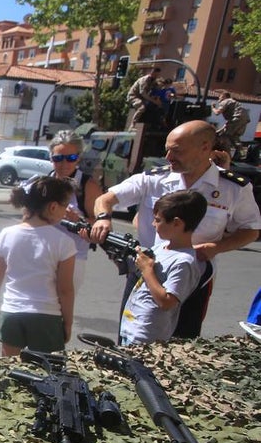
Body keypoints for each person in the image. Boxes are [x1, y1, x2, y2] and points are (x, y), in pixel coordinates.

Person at [91, 120, 260, 338]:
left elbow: (251, 230)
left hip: (191, 279)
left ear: (205, 147)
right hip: (145, 272)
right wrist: (103, 218)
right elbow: (105, 199)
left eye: (177, 151)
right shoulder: (154, 179)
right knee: (133, 337)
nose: (169, 157)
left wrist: (216, 247)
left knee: (182, 342)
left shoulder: (232, 187)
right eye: (167, 150)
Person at [0, 177, 76, 356]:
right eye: (65, 206)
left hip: (12, 311)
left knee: (9, 365)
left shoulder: (6, 234)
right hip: (46, 314)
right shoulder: (64, 242)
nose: (66, 211)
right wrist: (68, 322)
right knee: (46, 368)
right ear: (53, 207)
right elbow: (65, 289)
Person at [119, 190, 207, 345]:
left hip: (146, 335)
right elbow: (137, 271)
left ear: (177, 223)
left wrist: (147, 270)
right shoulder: (161, 248)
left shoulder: (184, 262)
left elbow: (167, 302)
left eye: (158, 220)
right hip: (131, 327)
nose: (153, 224)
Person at [47, 130, 103, 292]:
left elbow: (101, 225)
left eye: (70, 158)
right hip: (43, 253)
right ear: (51, 158)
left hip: (73, 258)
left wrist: (79, 220)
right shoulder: (45, 181)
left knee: (61, 304)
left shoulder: (88, 185)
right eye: (58, 158)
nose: (64, 163)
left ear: (78, 158)